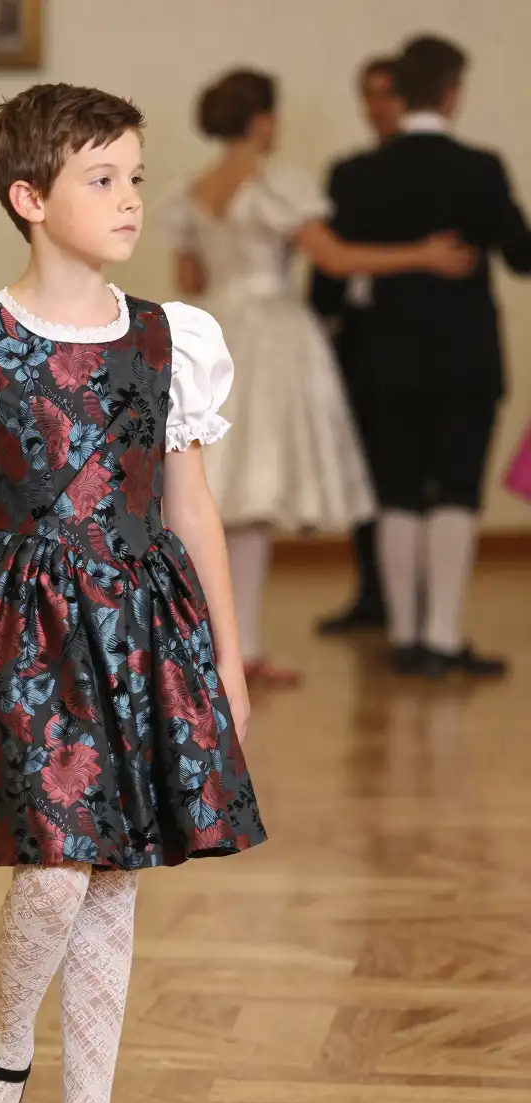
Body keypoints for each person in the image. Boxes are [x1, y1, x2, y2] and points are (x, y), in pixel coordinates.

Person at [0, 83, 264, 1103]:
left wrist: (225, 662)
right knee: (50, 874)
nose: (130, 198)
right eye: (103, 179)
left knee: (112, 877)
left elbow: (191, 509)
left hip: (142, 632)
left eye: (135, 175)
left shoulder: (168, 336)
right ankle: (4, 1046)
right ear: (29, 197)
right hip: (25, 637)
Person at [157, 69, 474, 688]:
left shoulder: (194, 192)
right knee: (254, 494)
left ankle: (226, 648)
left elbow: (191, 282)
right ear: (262, 120)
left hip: (213, 332)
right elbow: (335, 258)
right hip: (271, 337)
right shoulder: (276, 185)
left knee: (222, 492)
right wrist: (424, 255)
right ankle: (236, 649)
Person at [327, 35, 531, 678]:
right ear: (450, 92)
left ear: (398, 94)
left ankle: (406, 638)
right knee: (457, 492)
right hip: (467, 355)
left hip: (385, 356)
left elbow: (332, 282)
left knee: (397, 493)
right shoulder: (481, 167)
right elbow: (522, 256)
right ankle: (442, 636)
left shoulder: (354, 175)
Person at [312, 56, 403, 636]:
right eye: (368, 94)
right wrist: (323, 321)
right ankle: (372, 590)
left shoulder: (442, 174)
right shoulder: (348, 172)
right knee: (364, 464)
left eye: (388, 94)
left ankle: (408, 602)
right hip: (363, 337)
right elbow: (330, 263)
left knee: (408, 472)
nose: (378, 106)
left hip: (421, 337)